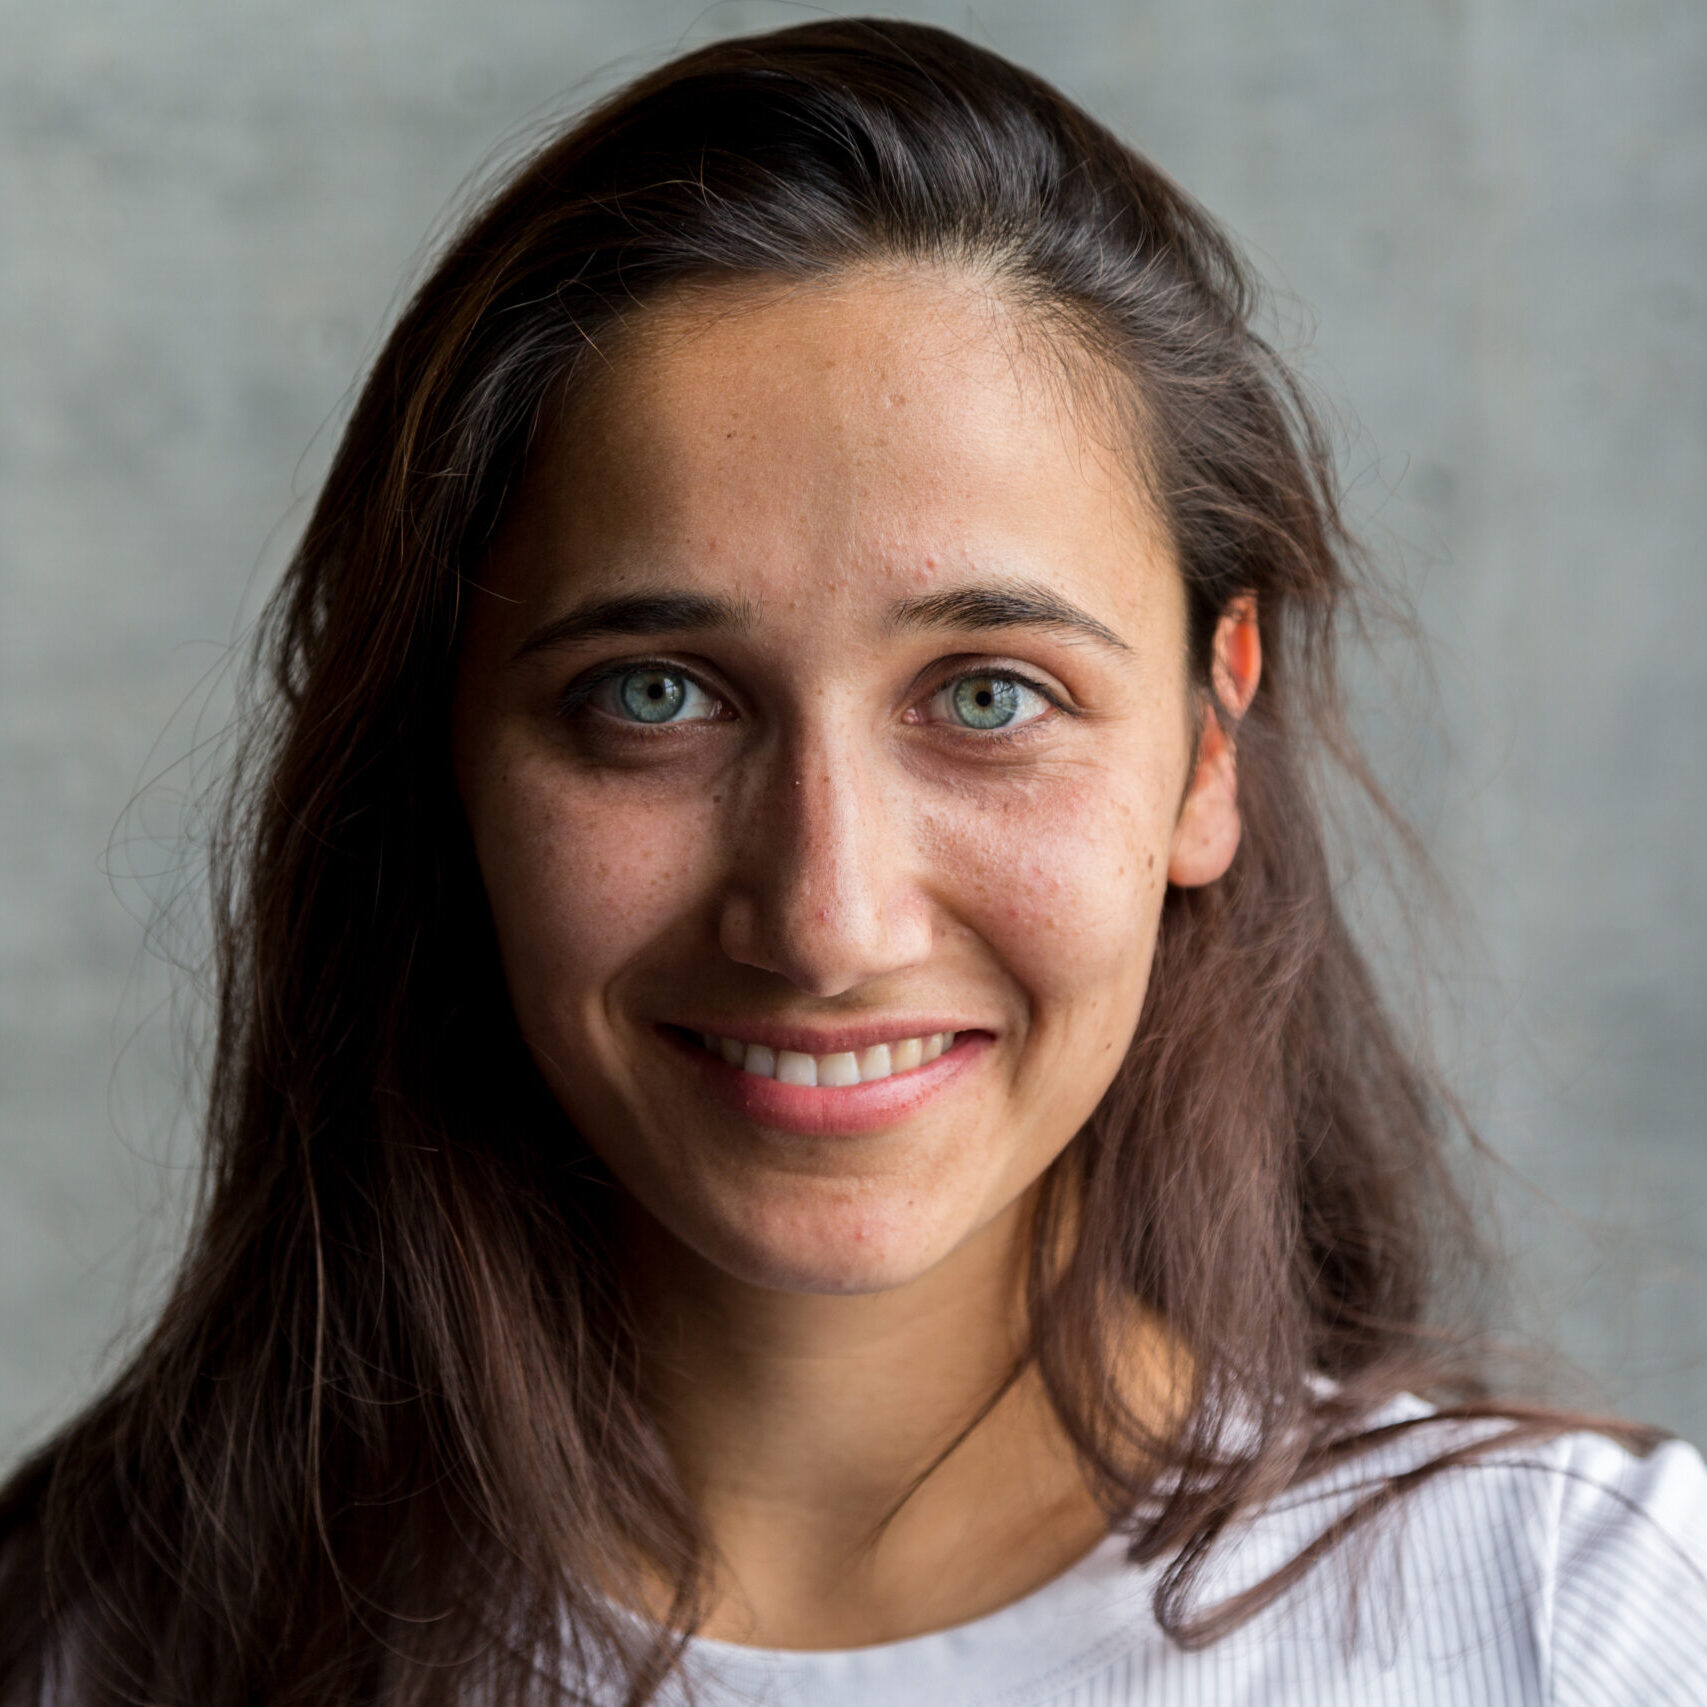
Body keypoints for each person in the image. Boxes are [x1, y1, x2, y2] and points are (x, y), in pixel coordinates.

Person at [2, 17, 1703, 1706]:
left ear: (1206, 739)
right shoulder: (95, 1643)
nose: (826, 919)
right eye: (653, 697)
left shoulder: (1572, 1621)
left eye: (988, 696)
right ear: (442, 754)